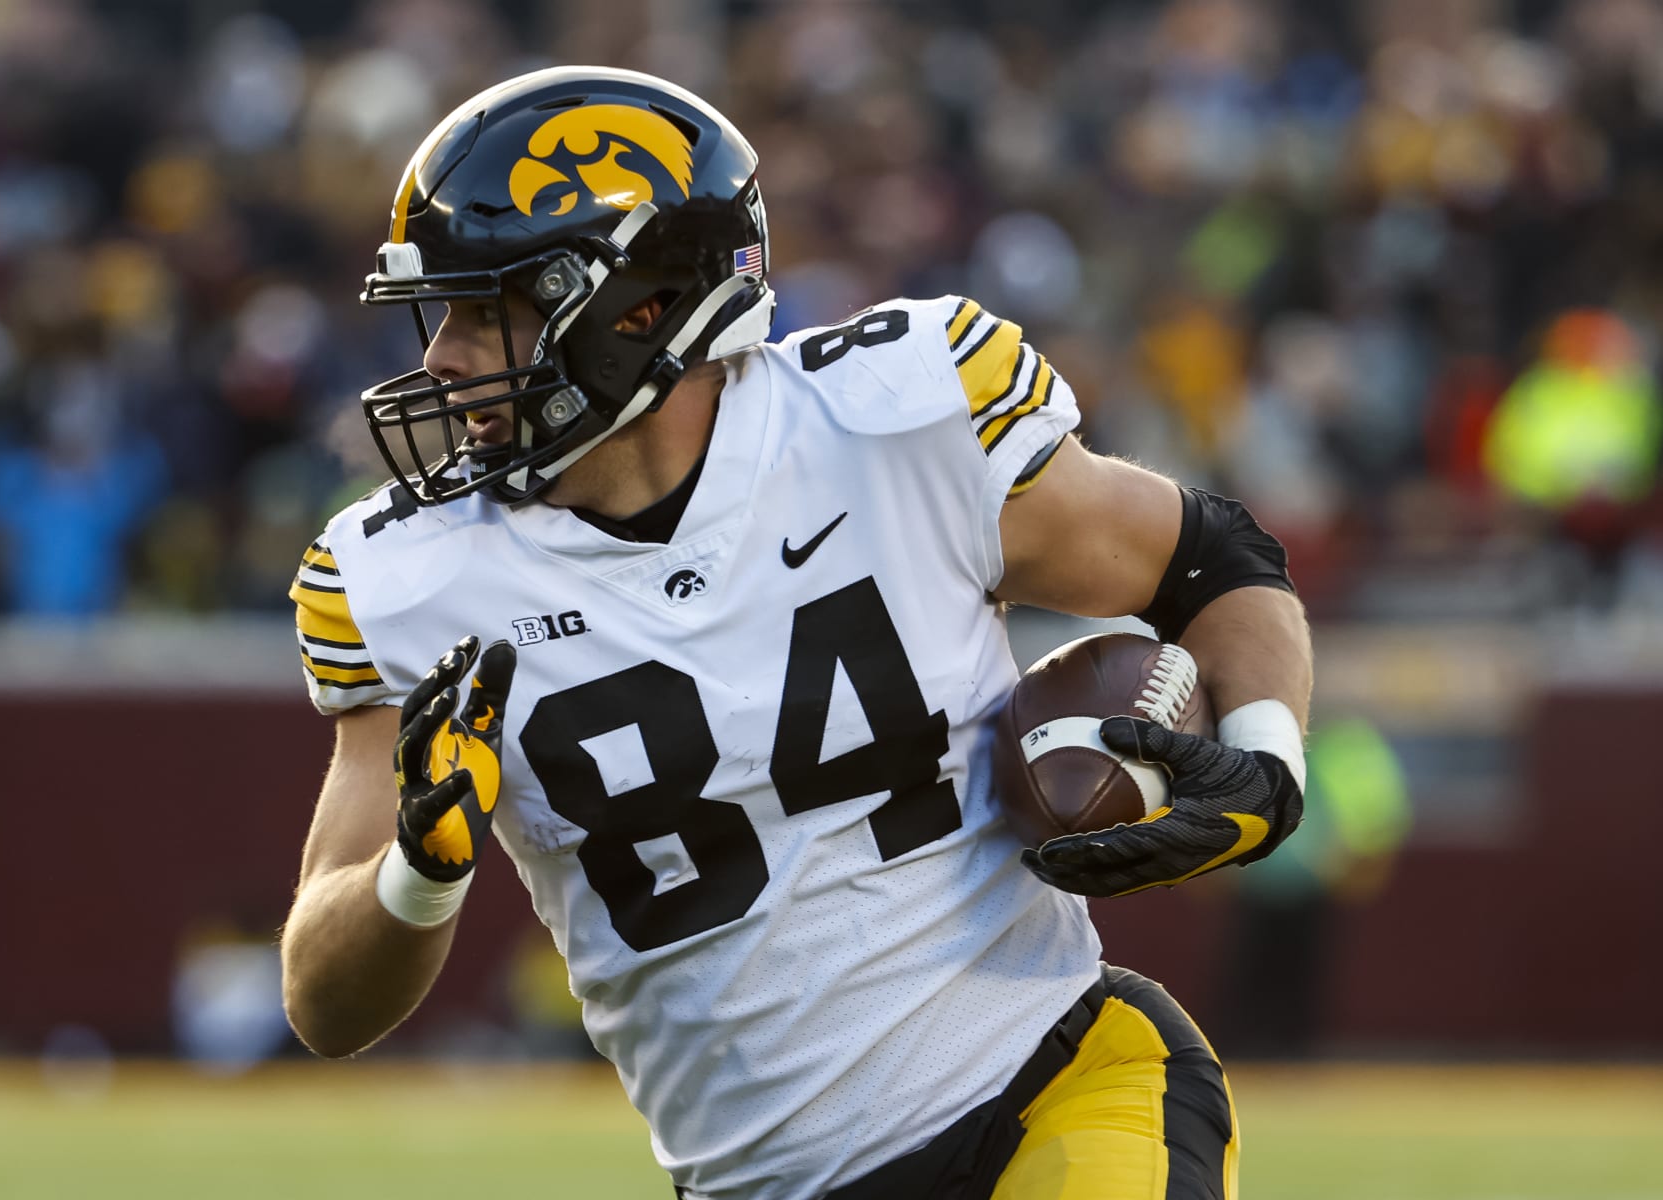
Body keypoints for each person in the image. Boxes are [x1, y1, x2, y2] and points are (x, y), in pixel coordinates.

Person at [280, 67, 1312, 1200]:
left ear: (640, 307)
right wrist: (418, 875)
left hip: (1052, 1082)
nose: (441, 360)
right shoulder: (404, 581)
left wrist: (1266, 762)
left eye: (490, 311)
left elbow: (1212, 560)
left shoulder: (898, 417)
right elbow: (324, 1006)